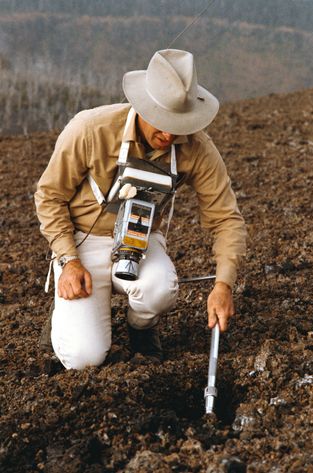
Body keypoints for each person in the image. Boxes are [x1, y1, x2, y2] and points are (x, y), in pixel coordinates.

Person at [35, 49, 246, 370]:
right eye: (162, 122)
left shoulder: (196, 148)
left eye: (179, 123)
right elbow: (49, 196)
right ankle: (68, 320)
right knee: (83, 358)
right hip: (82, 242)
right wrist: (68, 260)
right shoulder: (91, 130)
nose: (169, 134)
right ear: (142, 105)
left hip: (140, 238)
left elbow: (226, 219)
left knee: (159, 290)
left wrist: (223, 285)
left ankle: (142, 328)